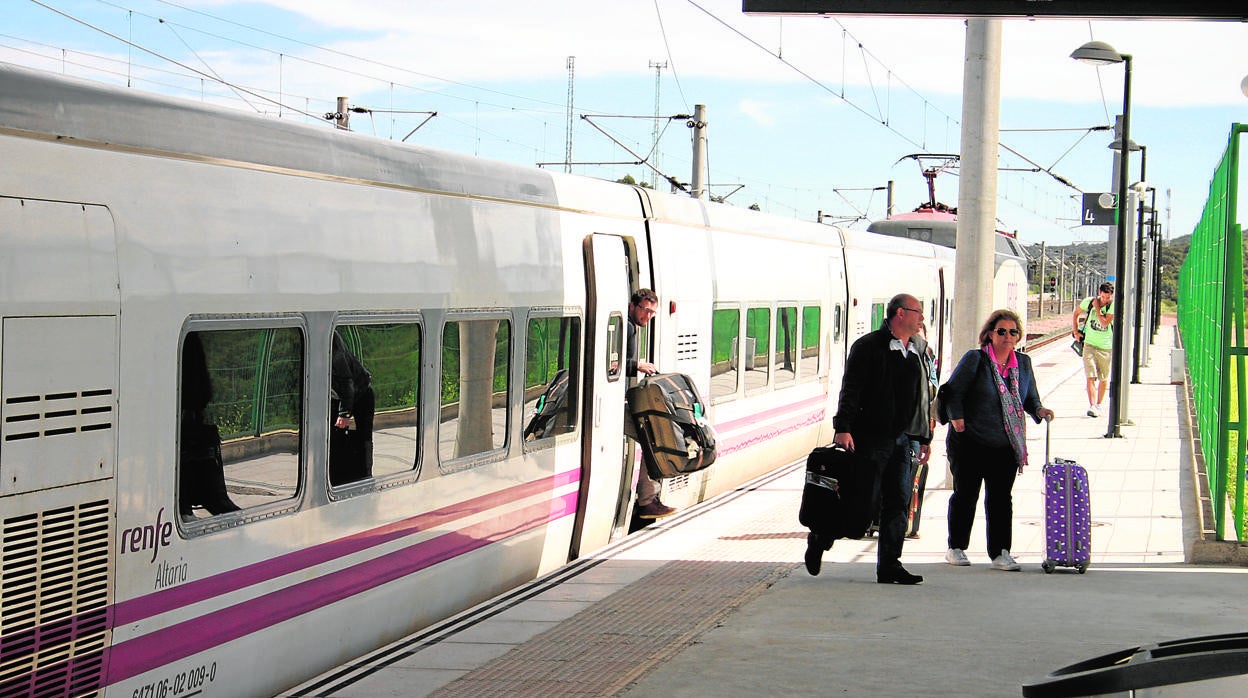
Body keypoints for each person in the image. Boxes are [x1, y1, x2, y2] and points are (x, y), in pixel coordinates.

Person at [806, 293, 927, 584]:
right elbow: (852, 389)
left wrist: (924, 436)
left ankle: (890, 566)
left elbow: (922, 397)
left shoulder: (916, 350)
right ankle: (821, 536)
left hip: (901, 439)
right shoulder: (868, 347)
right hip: (869, 438)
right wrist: (843, 427)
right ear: (900, 313)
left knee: (898, 502)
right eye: (917, 312)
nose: (922, 318)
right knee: (860, 506)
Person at [941, 309, 1054, 571]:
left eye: (1013, 332)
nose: (1007, 336)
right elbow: (954, 391)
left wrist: (1039, 411)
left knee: (1001, 500)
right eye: (1001, 331)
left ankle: (1001, 552)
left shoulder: (1022, 363)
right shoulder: (976, 359)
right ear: (990, 334)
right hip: (969, 441)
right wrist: (957, 419)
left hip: (1005, 445)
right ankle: (956, 547)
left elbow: (1029, 398)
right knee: (965, 495)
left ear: (1018, 336)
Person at [626, 288, 676, 519]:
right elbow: (610, 362)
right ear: (633, 306)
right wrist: (637, 365)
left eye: (652, 313)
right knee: (653, 439)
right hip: (612, 405)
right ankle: (647, 501)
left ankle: (649, 499)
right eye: (645, 310)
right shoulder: (627, 327)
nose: (648, 316)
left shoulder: (631, 327)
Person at [905, 322, 938, 539]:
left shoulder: (926, 357)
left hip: (916, 433)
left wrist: (927, 438)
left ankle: (907, 524)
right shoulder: (896, 354)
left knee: (909, 480)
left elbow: (930, 397)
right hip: (898, 432)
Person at [330, 330, 376, 485]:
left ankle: (365, 475)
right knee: (337, 437)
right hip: (340, 396)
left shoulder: (333, 346)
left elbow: (346, 383)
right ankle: (338, 475)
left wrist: (344, 414)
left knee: (363, 437)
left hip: (361, 393)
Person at [1073, 281, 1115, 418]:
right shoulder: (1089, 302)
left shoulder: (1112, 306)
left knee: (1103, 378)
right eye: (1103, 297)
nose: (1105, 300)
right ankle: (1092, 406)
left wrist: (1097, 308)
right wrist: (1076, 331)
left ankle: (1099, 404)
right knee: (1090, 376)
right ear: (1099, 293)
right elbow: (1076, 313)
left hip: (1105, 346)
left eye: (1108, 297)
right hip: (1089, 344)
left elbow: (1104, 322)